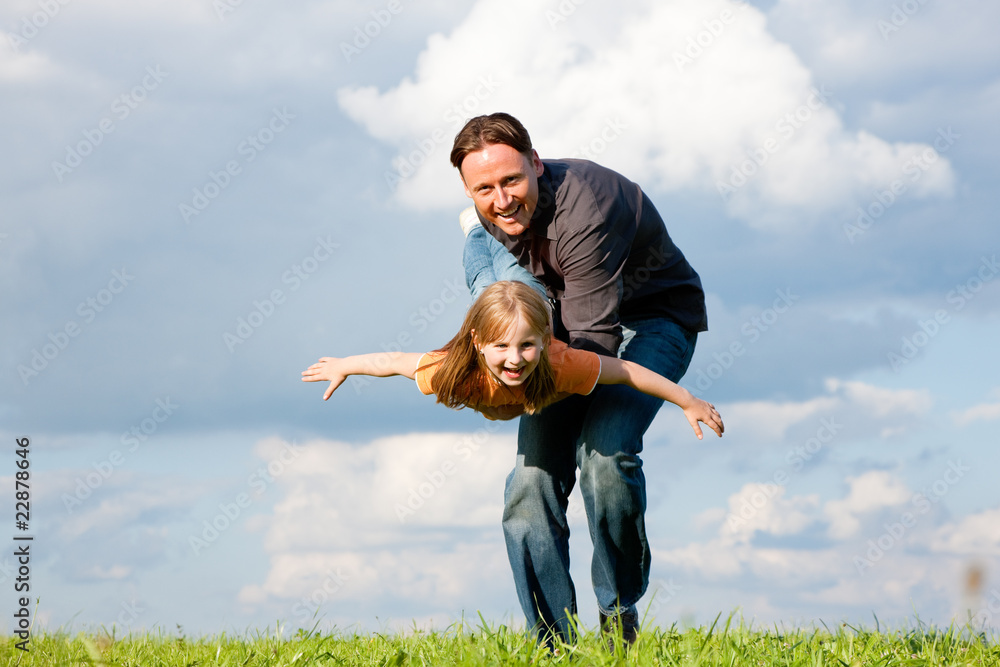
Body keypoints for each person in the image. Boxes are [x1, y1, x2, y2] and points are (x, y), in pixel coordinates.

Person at [450, 112, 710, 645]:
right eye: (485, 190)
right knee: (529, 484)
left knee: (604, 455)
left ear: (536, 164)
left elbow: (595, 344)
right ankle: (553, 643)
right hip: (562, 332)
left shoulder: (587, 206)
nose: (502, 200)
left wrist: (516, 394)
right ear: (467, 190)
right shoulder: (493, 214)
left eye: (512, 180)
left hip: (649, 321)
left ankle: (618, 619)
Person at [301, 280, 723, 441]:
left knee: (518, 284)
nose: (515, 360)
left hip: (531, 301)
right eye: (501, 347)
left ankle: (519, 283)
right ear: (478, 343)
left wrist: (686, 400)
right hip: (500, 300)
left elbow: (627, 372)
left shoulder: (561, 364)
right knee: (486, 277)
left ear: (543, 341)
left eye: (526, 347)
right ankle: (475, 229)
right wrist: (344, 365)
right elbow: (393, 361)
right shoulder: (452, 371)